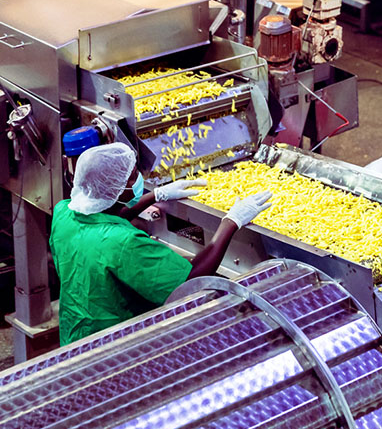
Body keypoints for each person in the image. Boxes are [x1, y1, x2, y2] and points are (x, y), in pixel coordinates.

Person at [49, 142, 272, 346]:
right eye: (132, 175)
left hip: (76, 335)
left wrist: (157, 194)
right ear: (115, 189)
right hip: (115, 344)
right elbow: (190, 280)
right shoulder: (125, 243)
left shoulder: (63, 213)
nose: (138, 178)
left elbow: (106, 216)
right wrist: (231, 222)